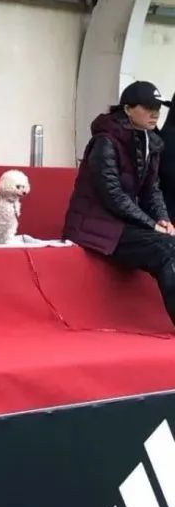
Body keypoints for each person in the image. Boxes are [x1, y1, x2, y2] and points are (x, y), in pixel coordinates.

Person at [63, 80, 175, 324]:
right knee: (166, 248)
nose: (155, 113)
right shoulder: (105, 141)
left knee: (169, 241)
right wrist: (151, 225)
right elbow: (112, 195)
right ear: (127, 109)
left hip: (124, 225)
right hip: (97, 227)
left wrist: (163, 219)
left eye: (158, 108)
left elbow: (152, 190)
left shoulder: (150, 141)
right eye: (148, 107)